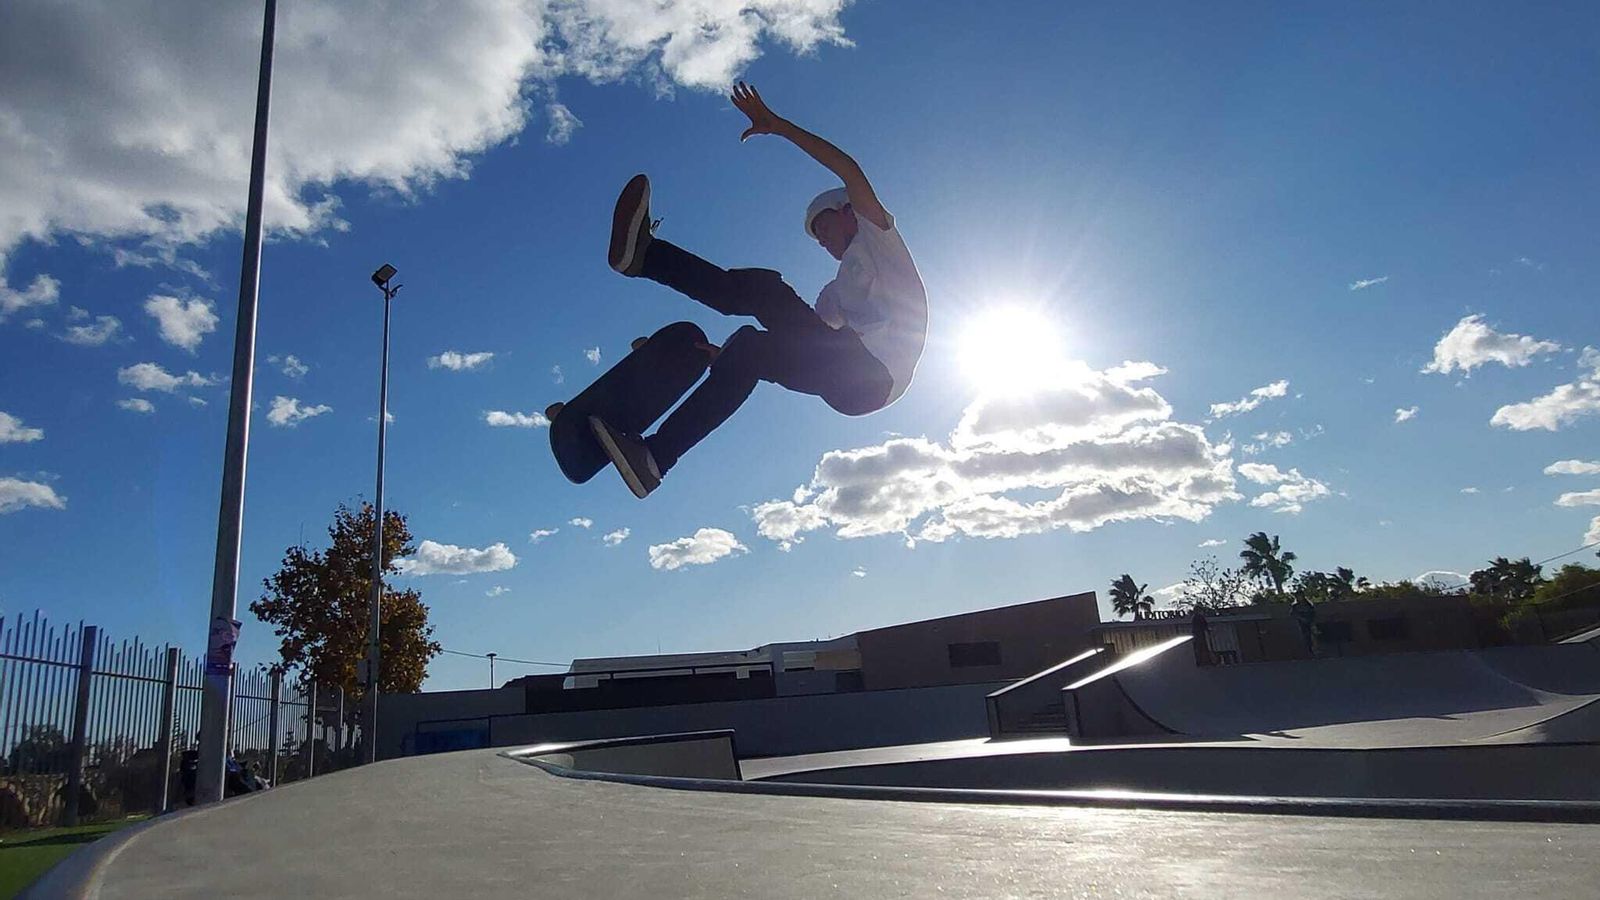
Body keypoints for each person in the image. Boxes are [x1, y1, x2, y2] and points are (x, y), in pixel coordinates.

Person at [590, 81, 928, 498]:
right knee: (754, 336)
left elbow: (849, 170)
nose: (822, 240)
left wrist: (780, 126)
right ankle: (653, 459)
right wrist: (728, 357)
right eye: (818, 236)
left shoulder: (880, 241)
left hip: (874, 375)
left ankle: (648, 258)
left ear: (848, 211)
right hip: (847, 380)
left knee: (764, 299)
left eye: (823, 227)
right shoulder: (836, 292)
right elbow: (796, 345)